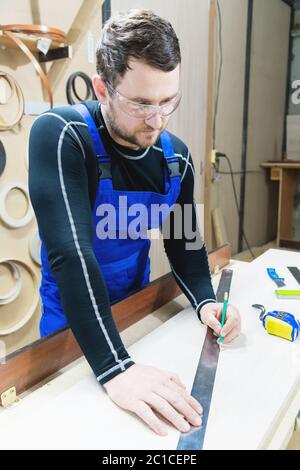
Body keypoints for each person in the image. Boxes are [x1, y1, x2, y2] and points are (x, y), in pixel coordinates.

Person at [29, 9, 241, 437]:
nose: (158, 120)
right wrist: (116, 368)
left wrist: (205, 301)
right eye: (142, 103)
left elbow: (184, 243)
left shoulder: (175, 159)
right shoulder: (62, 135)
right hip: (71, 324)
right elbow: (71, 255)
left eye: (168, 101)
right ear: (102, 88)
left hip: (136, 312)